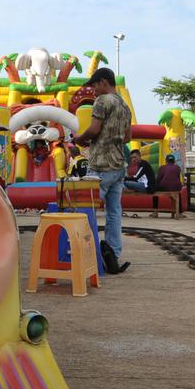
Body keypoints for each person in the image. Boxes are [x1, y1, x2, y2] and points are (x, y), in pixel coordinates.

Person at [71, 68, 131, 273]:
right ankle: (112, 254)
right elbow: (128, 138)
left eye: (94, 85)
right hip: (119, 165)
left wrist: (79, 139)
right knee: (114, 212)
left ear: (104, 82)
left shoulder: (103, 101)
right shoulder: (124, 105)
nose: (93, 91)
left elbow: (94, 130)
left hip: (101, 165)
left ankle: (87, 254)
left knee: (86, 210)